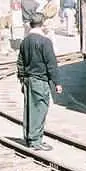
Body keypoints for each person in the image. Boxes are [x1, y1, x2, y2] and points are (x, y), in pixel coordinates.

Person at [16, 13, 62, 151]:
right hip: (40, 80)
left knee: (29, 109)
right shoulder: (45, 42)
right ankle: (36, 140)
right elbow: (51, 64)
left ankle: (29, 137)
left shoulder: (25, 41)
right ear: (42, 24)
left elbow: (20, 62)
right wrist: (57, 83)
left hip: (28, 80)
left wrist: (22, 78)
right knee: (39, 109)